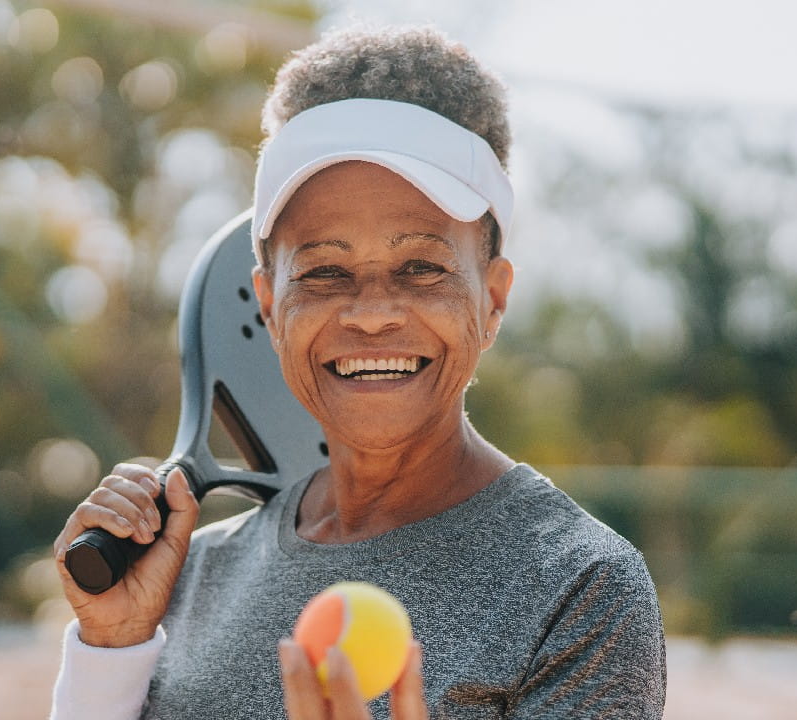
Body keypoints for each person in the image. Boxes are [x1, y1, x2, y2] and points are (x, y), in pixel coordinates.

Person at [50, 25, 666, 719]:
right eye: (325, 272)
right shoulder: (190, 576)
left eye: (422, 268)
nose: (372, 313)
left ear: (492, 300)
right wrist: (110, 652)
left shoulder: (579, 587)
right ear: (269, 305)